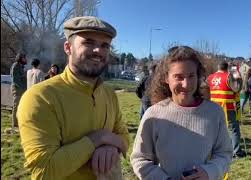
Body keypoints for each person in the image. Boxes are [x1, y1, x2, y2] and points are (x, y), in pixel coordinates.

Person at [17, 16, 129, 180]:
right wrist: (97, 139)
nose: (98, 51)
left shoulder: (109, 94)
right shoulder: (40, 97)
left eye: (105, 45)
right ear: (68, 47)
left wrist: (112, 148)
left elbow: (125, 139)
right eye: (88, 42)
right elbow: (44, 171)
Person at [131, 46, 233, 180]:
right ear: (166, 78)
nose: (186, 84)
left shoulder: (215, 113)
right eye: (178, 77)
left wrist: (209, 172)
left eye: (191, 76)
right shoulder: (153, 114)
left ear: (198, 76)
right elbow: (140, 159)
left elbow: (224, 153)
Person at [208, 61, 247, 159]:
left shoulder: (210, 77)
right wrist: (239, 78)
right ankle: (236, 151)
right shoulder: (229, 76)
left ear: (218, 67)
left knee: (214, 129)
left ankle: (212, 149)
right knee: (233, 129)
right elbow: (237, 89)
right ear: (227, 68)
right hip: (227, 107)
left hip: (212, 106)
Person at [10, 52, 27, 129]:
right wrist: (22, 88)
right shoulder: (16, 66)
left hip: (21, 89)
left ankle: (19, 122)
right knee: (16, 106)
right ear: (20, 58)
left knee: (20, 106)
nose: (25, 59)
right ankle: (15, 124)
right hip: (17, 89)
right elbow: (15, 79)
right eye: (23, 58)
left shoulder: (21, 66)